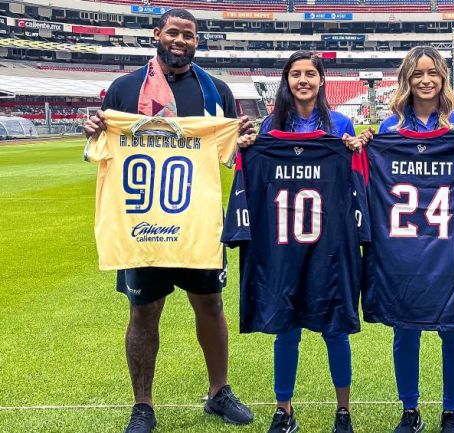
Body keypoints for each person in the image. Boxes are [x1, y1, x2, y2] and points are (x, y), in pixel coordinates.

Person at [82, 9, 254, 433]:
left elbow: (229, 155)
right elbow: (102, 146)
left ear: (198, 41)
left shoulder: (216, 90)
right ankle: (143, 405)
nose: (181, 40)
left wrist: (243, 141)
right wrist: (93, 131)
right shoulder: (124, 89)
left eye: (189, 35)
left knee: (211, 306)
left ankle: (219, 392)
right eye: (173, 32)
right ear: (157, 34)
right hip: (142, 225)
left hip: (197, 225)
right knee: (143, 312)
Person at [237, 51, 368, 433]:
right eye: (296, 74)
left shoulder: (339, 123)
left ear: (322, 80)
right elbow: (252, 173)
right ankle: (284, 409)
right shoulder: (270, 124)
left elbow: (355, 178)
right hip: (282, 242)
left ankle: (342, 410)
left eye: (310, 73)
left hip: (328, 243)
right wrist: (244, 149)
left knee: (335, 328)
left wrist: (356, 150)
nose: (303, 80)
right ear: (286, 80)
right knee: (286, 328)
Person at [378, 45, 454, 433]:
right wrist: (359, 149)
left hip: (452, 247)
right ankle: (410, 410)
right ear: (406, 80)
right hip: (404, 248)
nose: (425, 80)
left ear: (443, 78)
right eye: (417, 74)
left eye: (433, 73)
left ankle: (450, 410)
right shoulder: (388, 130)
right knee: (404, 328)